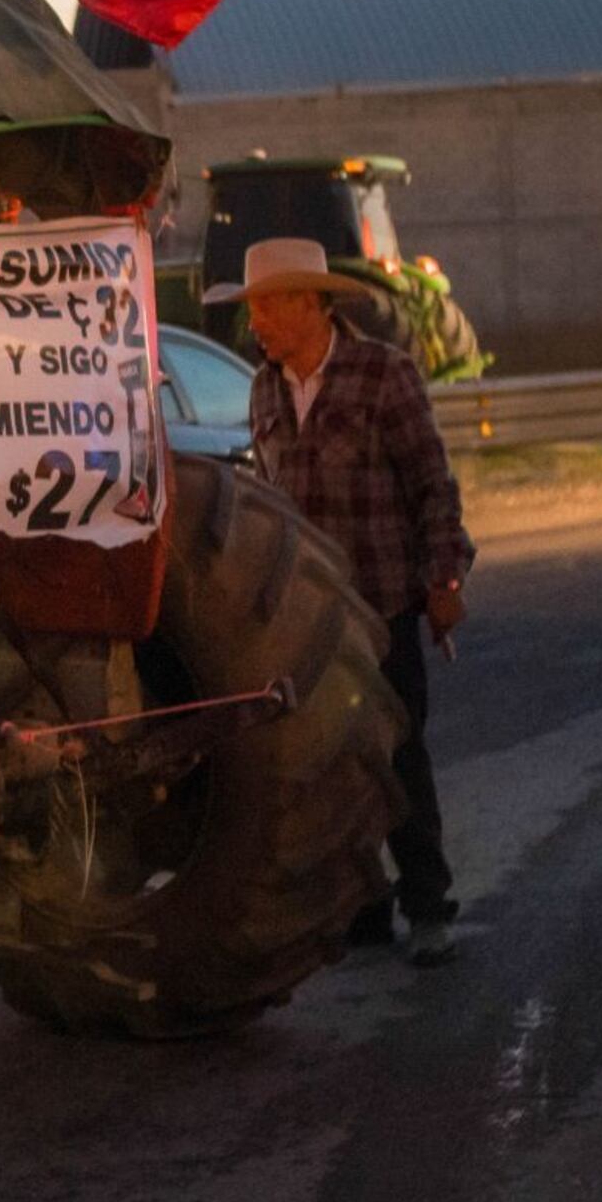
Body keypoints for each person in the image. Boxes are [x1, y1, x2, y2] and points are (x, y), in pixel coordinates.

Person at [206, 236, 476, 967]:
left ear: (311, 303)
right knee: (326, 766)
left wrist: (445, 581)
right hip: (303, 620)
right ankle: (364, 904)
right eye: (253, 309)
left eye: (267, 307)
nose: (256, 323)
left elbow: (433, 486)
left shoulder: (384, 375)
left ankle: (428, 907)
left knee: (396, 757)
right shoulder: (264, 389)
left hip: (381, 606)